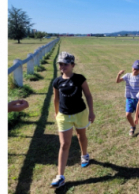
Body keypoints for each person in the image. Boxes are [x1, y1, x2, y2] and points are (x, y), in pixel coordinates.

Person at [51, 51, 95, 189]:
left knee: (81, 136)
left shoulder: (80, 78)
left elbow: (88, 95)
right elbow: (56, 98)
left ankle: (84, 155)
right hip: (64, 116)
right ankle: (60, 177)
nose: (63, 66)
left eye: (66, 64)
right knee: (64, 144)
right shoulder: (57, 81)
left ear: (72, 65)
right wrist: (56, 112)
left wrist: (91, 112)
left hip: (80, 113)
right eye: (60, 64)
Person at [116, 60, 139, 137]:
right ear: (132, 67)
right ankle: (133, 126)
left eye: (138, 69)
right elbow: (118, 81)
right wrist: (119, 74)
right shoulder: (127, 75)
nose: (135, 70)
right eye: (134, 68)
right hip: (129, 99)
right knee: (128, 115)